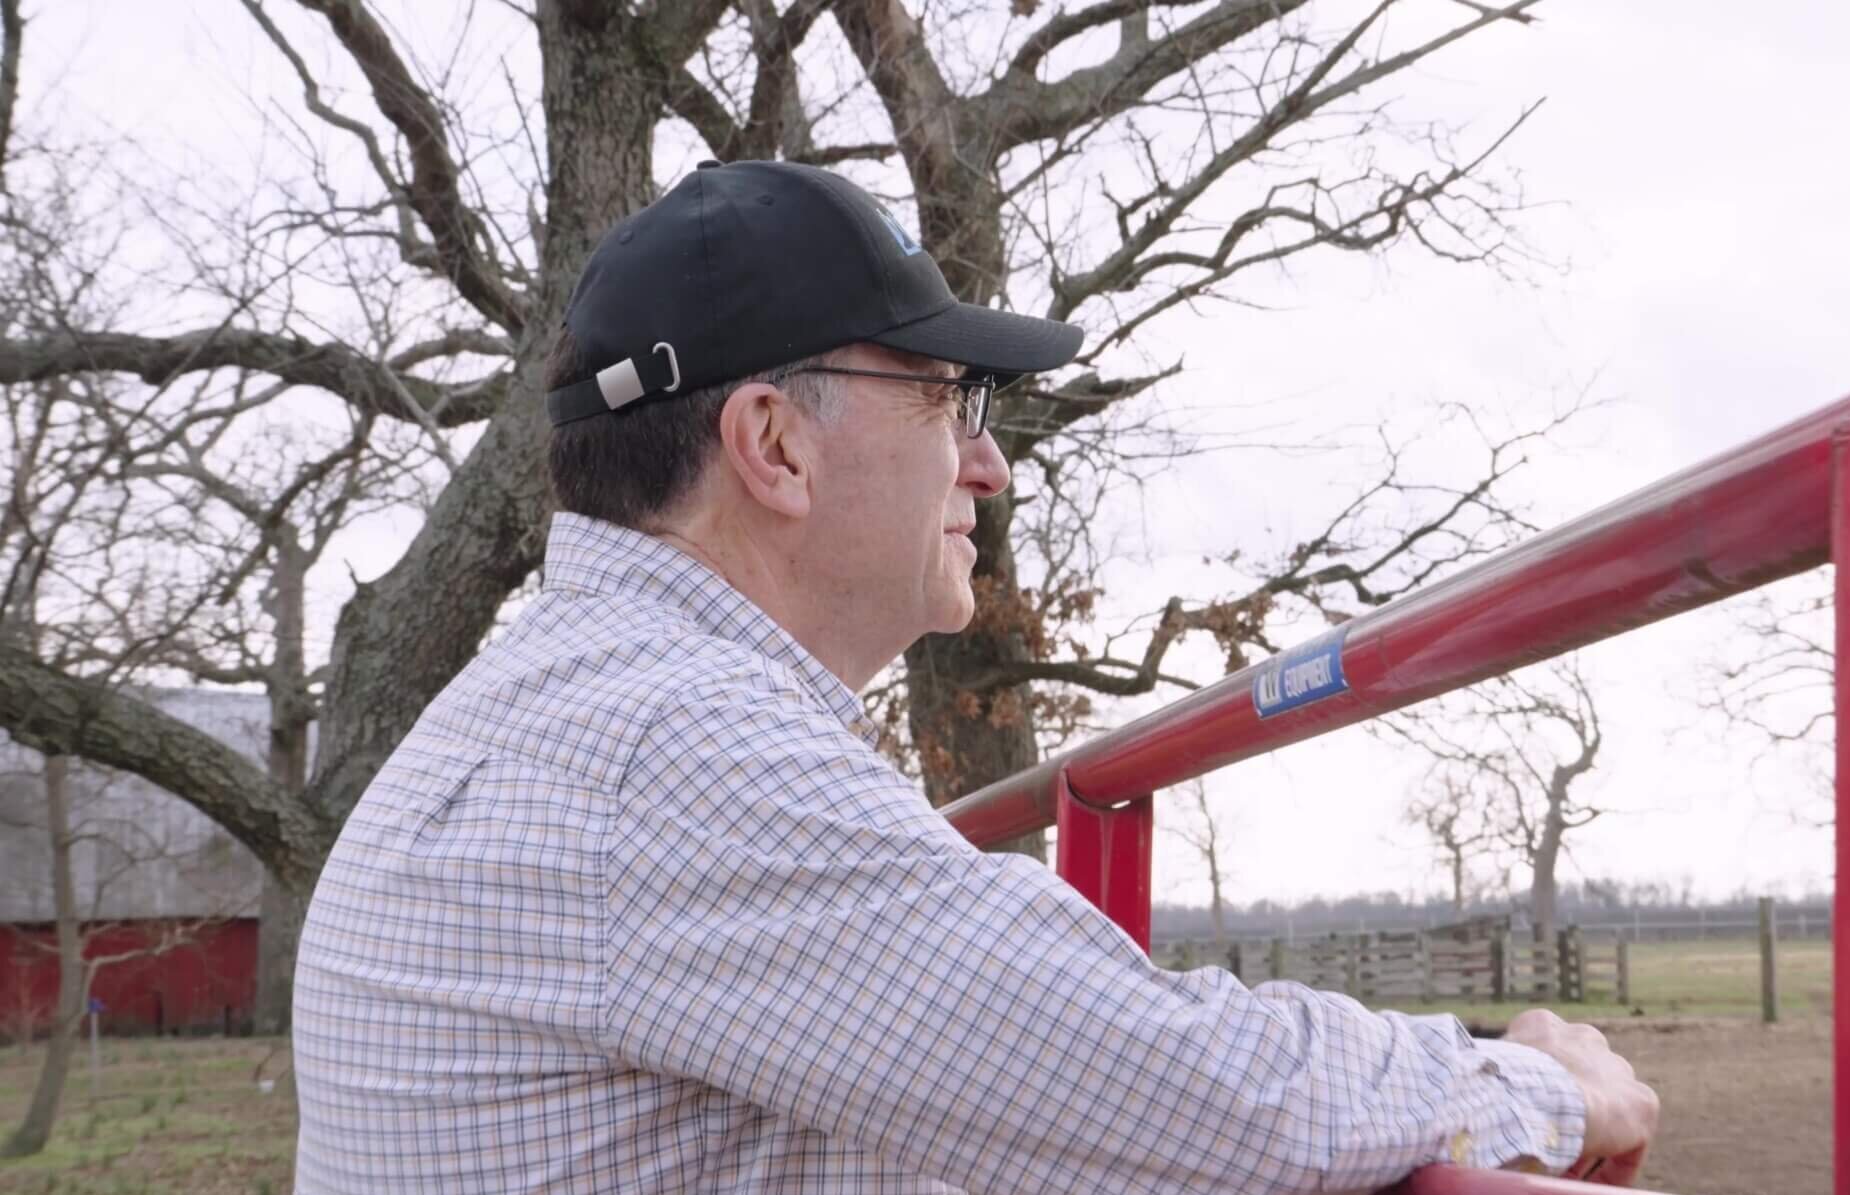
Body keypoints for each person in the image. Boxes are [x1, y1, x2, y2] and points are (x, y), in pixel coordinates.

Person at [291, 159, 1658, 1194]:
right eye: (949, 399)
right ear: (773, 444)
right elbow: (1184, 1093)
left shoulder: (558, 711)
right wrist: (1529, 1079)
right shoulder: (673, 751)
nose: (990, 468)